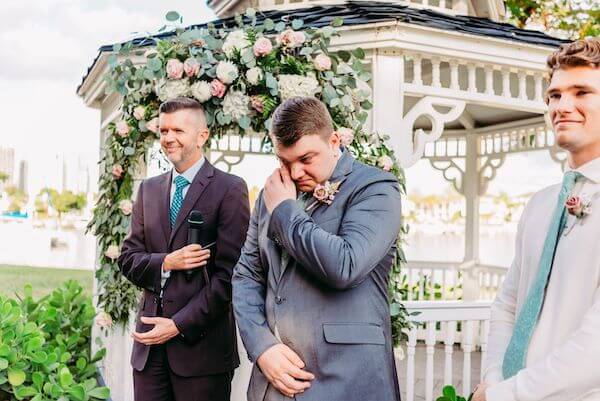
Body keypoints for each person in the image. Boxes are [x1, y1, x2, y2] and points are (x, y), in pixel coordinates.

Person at [232, 97, 403, 401]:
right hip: (274, 385)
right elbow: (247, 276)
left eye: (306, 159)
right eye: (285, 162)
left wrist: (285, 209)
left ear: (333, 141)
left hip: (347, 382)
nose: (295, 173)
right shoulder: (270, 196)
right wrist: (262, 346)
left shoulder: (376, 188)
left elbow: (345, 265)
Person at [474, 38, 600, 401]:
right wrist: (495, 379)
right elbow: (508, 304)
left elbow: (595, 350)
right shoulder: (541, 204)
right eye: (555, 95)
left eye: (581, 92)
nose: (563, 106)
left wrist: (506, 395)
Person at [118, 97, 250, 401]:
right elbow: (128, 259)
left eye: (177, 130)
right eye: (163, 131)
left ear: (202, 135)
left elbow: (230, 277)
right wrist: (167, 262)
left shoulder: (229, 189)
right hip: (149, 351)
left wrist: (178, 325)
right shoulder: (148, 189)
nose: (168, 138)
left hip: (202, 353)